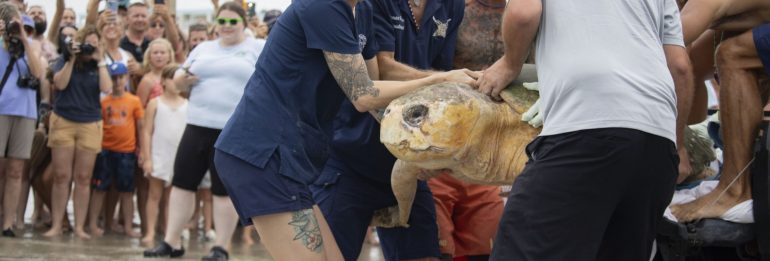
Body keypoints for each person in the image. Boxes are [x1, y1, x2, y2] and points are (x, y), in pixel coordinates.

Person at [212, 0, 475, 260]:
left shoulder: (363, 10)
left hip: (293, 159)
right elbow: (363, 95)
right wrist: (443, 79)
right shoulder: (322, 6)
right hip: (262, 153)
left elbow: (375, 88)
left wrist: (421, 147)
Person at [475, 0, 691, 259]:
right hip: (658, 140)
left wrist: (510, 64)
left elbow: (523, 13)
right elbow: (679, 67)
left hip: (585, 128)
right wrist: (677, 147)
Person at [309, 0, 466, 260]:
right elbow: (381, 71)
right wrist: (442, 79)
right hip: (350, 154)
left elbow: (443, 73)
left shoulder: (453, 5)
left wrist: (436, 153)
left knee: (425, 254)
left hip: (407, 160)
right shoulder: (369, 4)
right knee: (330, 255)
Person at [142, 3, 266, 260]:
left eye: (233, 22)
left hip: (233, 130)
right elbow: (177, 79)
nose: (227, 27)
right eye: (222, 21)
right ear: (215, 24)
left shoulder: (256, 47)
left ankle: (221, 247)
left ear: (243, 23)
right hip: (197, 124)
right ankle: (171, 242)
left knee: (222, 190)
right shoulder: (203, 48)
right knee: (182, 184)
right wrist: (180, 80)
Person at [45, 25, 112, 239]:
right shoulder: (64, 59)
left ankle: (80, 227)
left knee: (83, 178)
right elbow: (60, 84)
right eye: (87, 42)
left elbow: (107, 87)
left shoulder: (98, 64)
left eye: (94, 43)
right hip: (64, 120)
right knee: (61, 176)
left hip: (90, 123)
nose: (89, 47)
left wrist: (100, 58)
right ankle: (57, 224)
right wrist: (72, 58)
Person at [0, 2, 43, 237]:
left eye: (26, 28)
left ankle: (8, 223)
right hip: (1, 109)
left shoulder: (33, 46)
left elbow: (37, 73)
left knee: (16, 170)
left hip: (25, 112)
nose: (21, 32)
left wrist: (25, 42)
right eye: (17, 28)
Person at [87, 62, 144, 238]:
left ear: (126, 77)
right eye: (114, 78)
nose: (117, 81)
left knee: (127, 191)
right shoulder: (104, 101)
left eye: (120, 77)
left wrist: (141, 149)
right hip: (105, 150)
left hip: (126, 151)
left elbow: (140, 127)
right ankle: (93, 224)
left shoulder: (134, 100)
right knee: (99, 189)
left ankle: (127, 226)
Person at [140, 64, 187, 244]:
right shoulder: (155, 103)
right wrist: (147, 157)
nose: (175, 83)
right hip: (159, 155)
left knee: (171, 198)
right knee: (154, 195)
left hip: (177, 157)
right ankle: (150, 231)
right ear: (163, 82)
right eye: (171, 78)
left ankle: (169, 233)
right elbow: (146, 131)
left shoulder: (187, 105)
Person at [136, 39, 174, 106]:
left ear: (169, 57)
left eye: (162, 53)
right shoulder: (146, 81)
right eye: (155, 53)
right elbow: (139, 108)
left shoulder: (175, 77)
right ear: (149, 57)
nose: (159, 56)